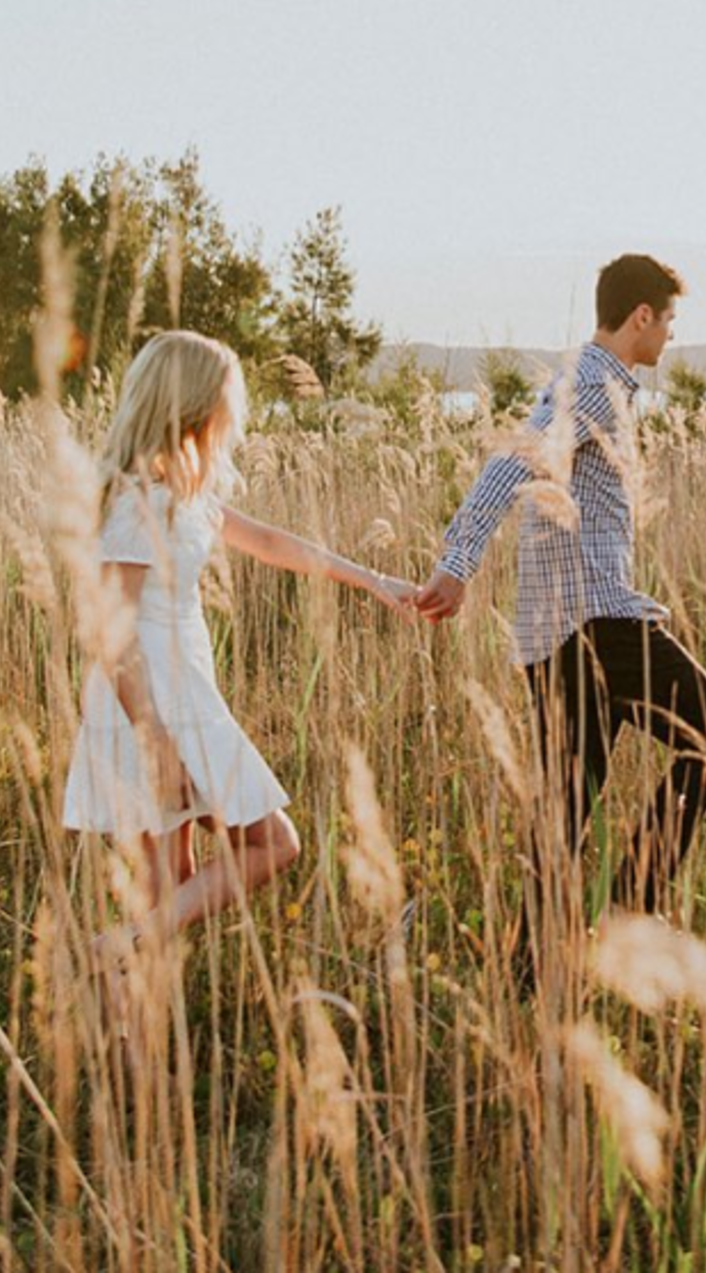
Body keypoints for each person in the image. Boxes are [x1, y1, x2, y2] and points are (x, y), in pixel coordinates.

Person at [414, 255, 706, 981]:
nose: (668, 337)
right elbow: (513, 466)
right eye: (668, 322)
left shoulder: (593, 385)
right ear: (641, 317)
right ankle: (632, 909)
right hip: (597, 626)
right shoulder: (592, 384)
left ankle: (529, 976)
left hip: (558, 634)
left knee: (565, 811)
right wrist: (458, 561)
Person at [63, 329, 415, 958]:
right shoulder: (137, 499)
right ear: (194, 403)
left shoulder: (183, 495)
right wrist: (156, 741)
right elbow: (110, 633)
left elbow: (275, 544)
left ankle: (126, 988)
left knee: (170, 886)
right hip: (152, 704)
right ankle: (122, 956)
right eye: (227, 398)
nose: (234, 415)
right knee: (272, 843)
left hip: (184, 694)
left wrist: (373, 580)